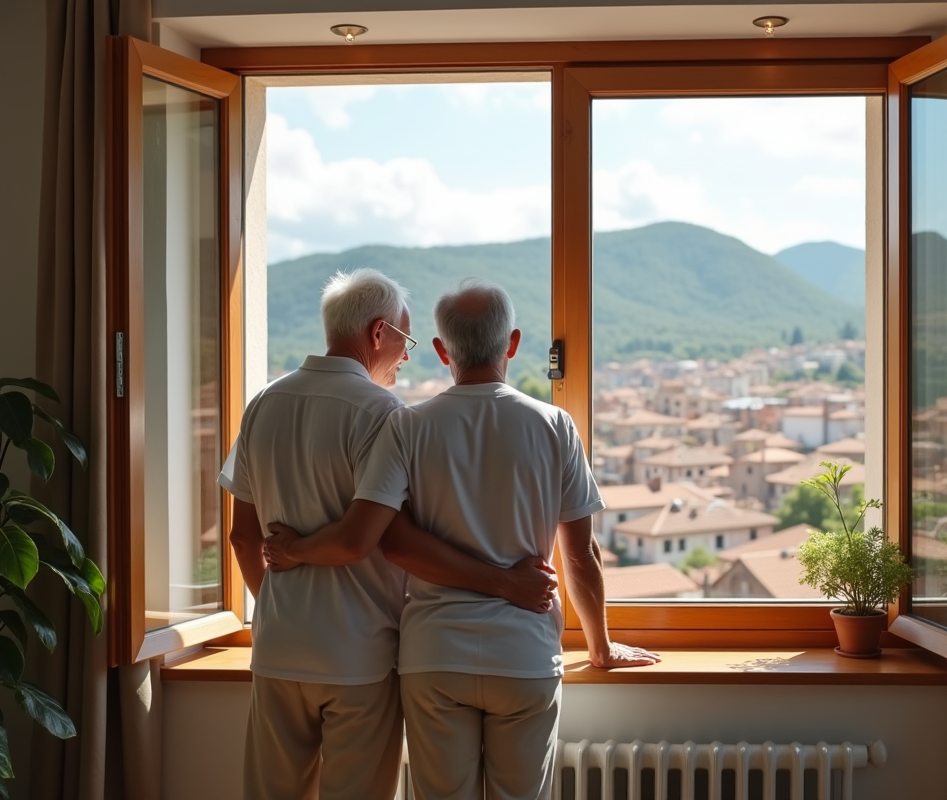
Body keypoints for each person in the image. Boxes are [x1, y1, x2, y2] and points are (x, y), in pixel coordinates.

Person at [264, 278, 659, 800]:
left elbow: (395, 544)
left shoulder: (407, 426)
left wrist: (292, 549)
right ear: (513, 344)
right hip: (524, 654)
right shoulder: (555, 424)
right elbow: (580, 556)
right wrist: (601, 647)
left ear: (440, 350)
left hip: (434, 657)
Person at [218, 269, 556, 800]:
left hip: (279, 646)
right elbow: (373, 538)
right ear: (379, 334)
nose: (405, 356)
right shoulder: (383, 414)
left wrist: (282, 602)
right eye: (405, 340)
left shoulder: (263, 403)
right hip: (360, 653)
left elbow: (242, 537)